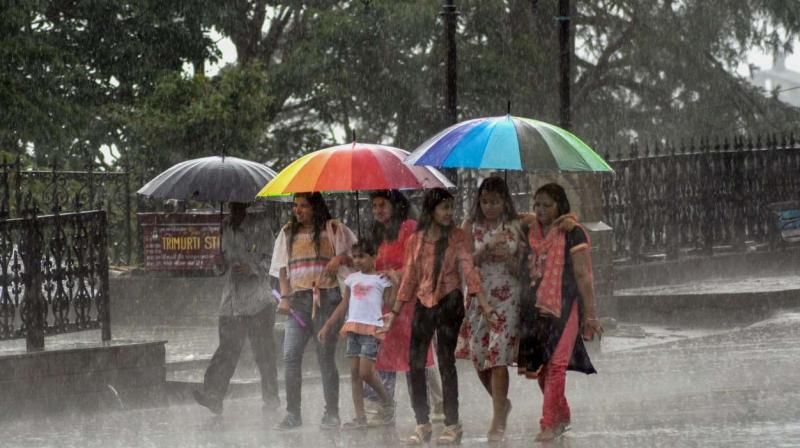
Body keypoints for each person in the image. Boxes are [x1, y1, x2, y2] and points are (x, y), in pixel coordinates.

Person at [381, 188, 494, 445]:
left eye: (451, 208)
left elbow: (469, 270)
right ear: (431, 210)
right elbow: (409, 278)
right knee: (415, 362)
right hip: (423, 301)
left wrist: (485, 305)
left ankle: (452, 423)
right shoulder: (416, 240)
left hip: (449, 301)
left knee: (445, 362)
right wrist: (394, 313)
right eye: (444, 208)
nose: (448, 213)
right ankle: (422, 423)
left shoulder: (457, 237)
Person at [518, 183, 603, 442]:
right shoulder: (529, 230)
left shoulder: (573, 233)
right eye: (537, 205)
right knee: (541, 369)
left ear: (561, 206)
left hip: (565, 307)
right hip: (533, 308)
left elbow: (583, 276)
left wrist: (590, 314)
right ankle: (562, 413)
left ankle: (548, 423)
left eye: (547, 205)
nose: (541, 210)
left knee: (556, 365)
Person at [270, 192, 357, 430]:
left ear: (315, 207)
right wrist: (285, 297)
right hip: (297, 302)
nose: (298, 210)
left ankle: (331, 413)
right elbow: (282, 270)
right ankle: (292, 414)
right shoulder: (287, 233)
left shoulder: (333, 229)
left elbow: (355, 256)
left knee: (324, 357)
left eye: (304, 206)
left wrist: (338, 259)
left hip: (326, 300)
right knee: (290, 356)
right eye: (295, 206)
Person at [455, 176, 526, 441]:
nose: (489, 206)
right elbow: (465, 262)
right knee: (479, 356)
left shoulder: (516, 226)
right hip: (477, 296)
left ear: (504, 200)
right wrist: (484, 250)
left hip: (508, 297)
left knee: (498, 357)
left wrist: (507, 257)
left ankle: (497, 420)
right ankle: (502, 403)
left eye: (495, 201)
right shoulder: (469, 226)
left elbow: (523, 268)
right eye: (485, 201)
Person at [365, 190, 443, 425]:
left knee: (417, 354)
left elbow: (422, 262)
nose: (378, 210)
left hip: (409, 301)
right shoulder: (376, 233)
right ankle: (383, 407)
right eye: (374, 206)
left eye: (382, 205)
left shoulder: (409, 227)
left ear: (395, 206)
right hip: (385, 303)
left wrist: (398, 274)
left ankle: (433, 403)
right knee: (384, 356)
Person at [193, 202, 278, 415]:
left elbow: (273, 261)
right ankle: (213, 395)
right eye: (231, 203)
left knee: (264, 354)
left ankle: (271, 398)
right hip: (231, 302)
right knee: (226, 351)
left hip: (257, 301)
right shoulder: (225, 226)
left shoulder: (261, 227)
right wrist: (218, 262)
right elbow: (220, 267)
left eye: (239, 202)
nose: (234, 206)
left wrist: (251, 268)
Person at [317, 240, 396, 429]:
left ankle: (387, 402)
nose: (358, 260)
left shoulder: (381, 280)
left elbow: (391, 304)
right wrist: (327, 325)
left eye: (362, 256)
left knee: (366, 372)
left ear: (373, 257)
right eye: (355, 257)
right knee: (354, 374)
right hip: (353, 328)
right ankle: (360, 418)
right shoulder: (351, 279)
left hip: (371, 329)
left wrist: (396, 283)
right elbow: (344, 305)